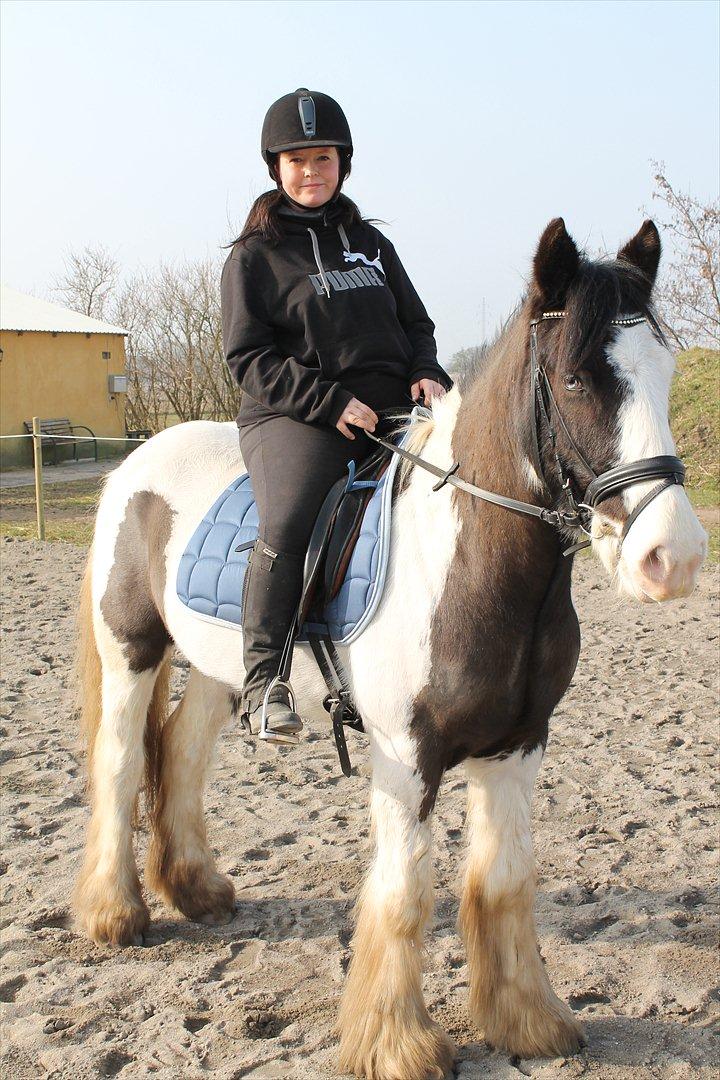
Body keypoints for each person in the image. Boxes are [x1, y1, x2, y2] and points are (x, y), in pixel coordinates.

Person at [221, 87, 453, 737]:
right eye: (296, 160)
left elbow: (417, 323)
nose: (310, 171)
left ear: (342, 163)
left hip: (392, 411)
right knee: (292, 521)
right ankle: (265, 683)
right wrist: (328, 402)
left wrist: (426, 371)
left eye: (322, 158)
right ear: (277, 169)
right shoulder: (254, 256)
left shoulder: (372, 245)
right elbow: (248, 357)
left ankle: (382, 673)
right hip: (294, 414)